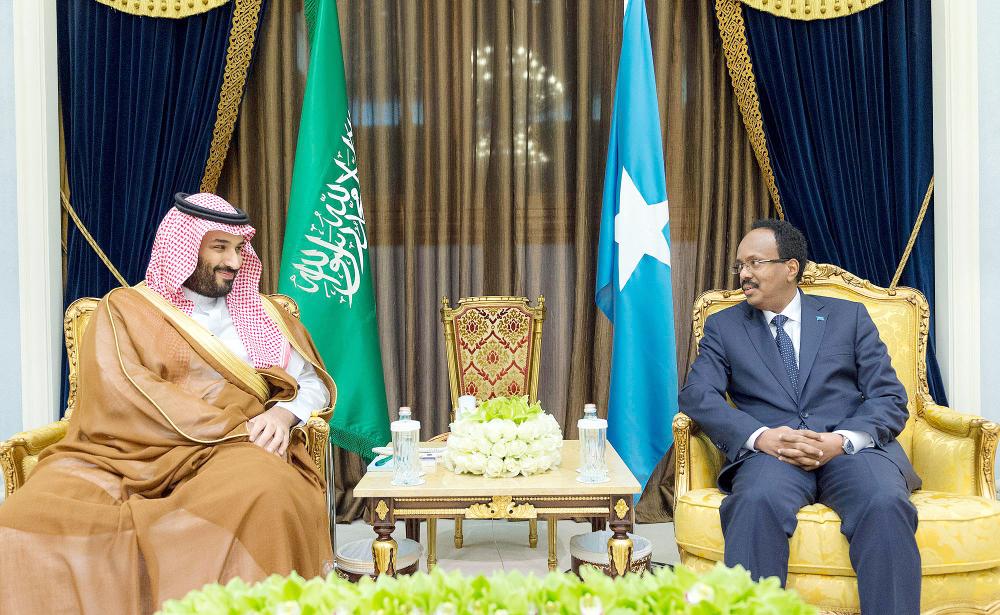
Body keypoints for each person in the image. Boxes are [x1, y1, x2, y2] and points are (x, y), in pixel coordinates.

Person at [0, 193, 336, 614]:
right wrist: (223, 426)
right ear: (183, 247)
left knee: (268, 493)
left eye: (238, 249)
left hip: (230, 454)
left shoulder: (263, 314)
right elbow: (120, 389)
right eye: (219, 247)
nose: (233, 261)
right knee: (27, 513)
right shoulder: (125, 310)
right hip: (126, 453)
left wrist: (284, 415)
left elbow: (313, 385)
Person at [679, 219, 921, 614]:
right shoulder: (724, 326)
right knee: (754, 502)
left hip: (849, 450)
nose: (744, 274)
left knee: (884, 501)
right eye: (740, 266)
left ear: (790, 267)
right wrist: (761, 436)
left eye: (754, 263)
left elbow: (890, 397)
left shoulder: (848, 317)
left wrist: (841, 440)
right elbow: (697, 394)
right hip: (772, 455)